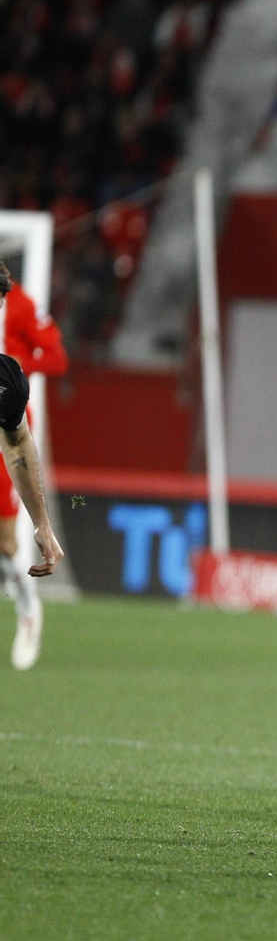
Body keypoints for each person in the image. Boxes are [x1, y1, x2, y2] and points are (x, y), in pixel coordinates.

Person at [1, 268, 68, 669]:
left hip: (7, 417)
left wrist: (42, 523)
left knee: (7, 543)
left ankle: (27, 608)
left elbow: (57, 358)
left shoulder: (22, 307)